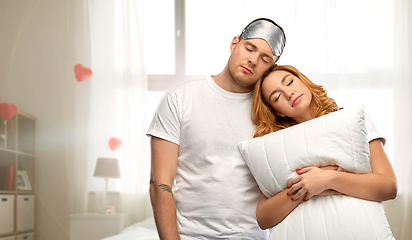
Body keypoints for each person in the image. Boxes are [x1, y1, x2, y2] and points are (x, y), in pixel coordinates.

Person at [146, 18, 286, 239]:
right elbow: (160, 184)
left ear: (271, 67)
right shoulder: (180, 98)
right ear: (234, 44)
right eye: (249, 48)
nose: (252, 60)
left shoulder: (271, 113)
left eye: (264, 59)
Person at [251, 65, 397, 233]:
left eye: (290, 82)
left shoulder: (353, 122)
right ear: (278, 112)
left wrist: (327, 179)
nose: (288, 93)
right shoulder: (278, 146)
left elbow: (388, 186)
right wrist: (305, 186)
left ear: (303, 81)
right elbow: (263, 218)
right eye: (277, 97)